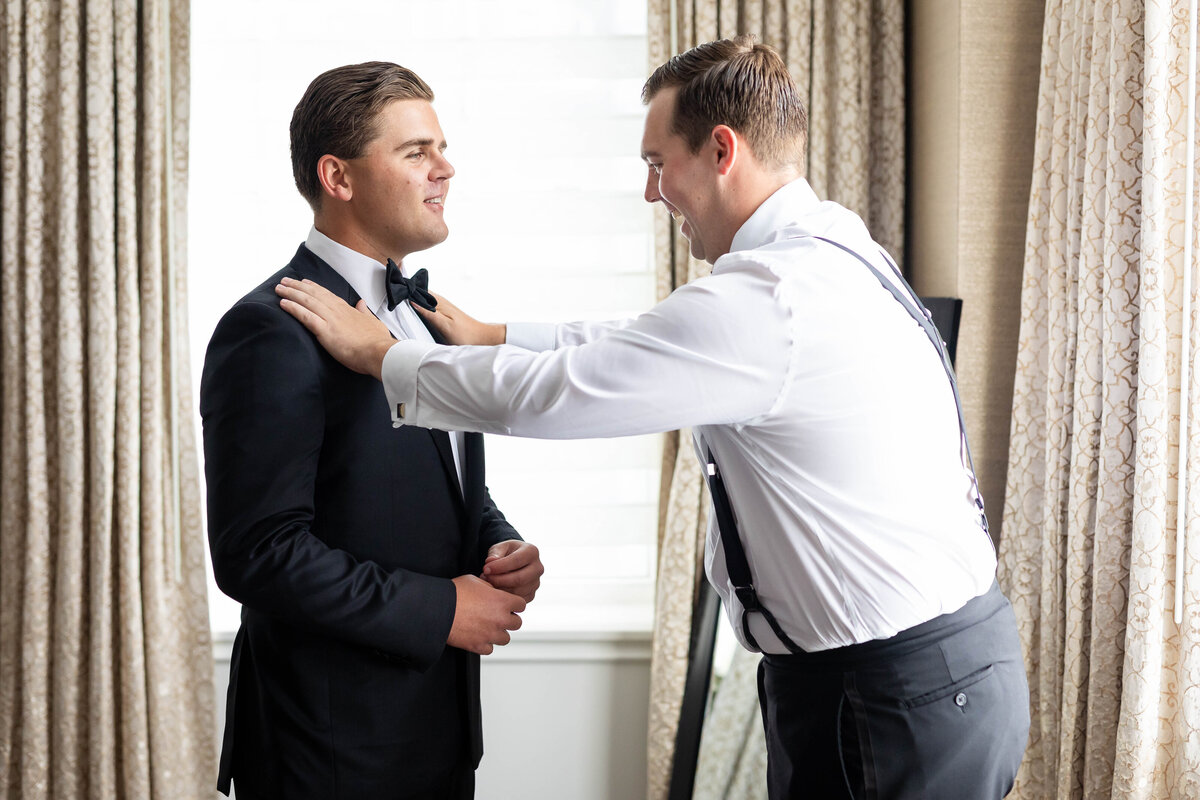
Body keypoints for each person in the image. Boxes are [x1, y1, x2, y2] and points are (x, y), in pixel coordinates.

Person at [275, 36, 1029, 800]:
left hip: (893, 693)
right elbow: (646, 342)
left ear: (722, 150)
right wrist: (496, 335)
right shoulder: (829, 244)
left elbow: (569, 391)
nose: (650, 192)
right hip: (917, 677)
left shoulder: (772, 296)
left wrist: (384, 358)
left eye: (657, 163)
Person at [201, 61, 543, 800]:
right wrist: (443, 608)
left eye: (442, 148)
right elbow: (257, 552)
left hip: (439, 736)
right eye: (416, 151)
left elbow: (438, 481)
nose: (445, 169)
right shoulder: (266, 332)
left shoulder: (429, 319)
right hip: (327, 751)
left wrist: (496, 542)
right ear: (339, 176)